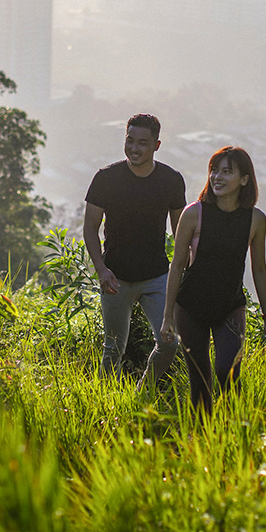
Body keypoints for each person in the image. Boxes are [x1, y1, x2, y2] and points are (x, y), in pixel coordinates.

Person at [160, 146, 266, 414]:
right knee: (200, 383)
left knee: (228, 371)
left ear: (245, 179)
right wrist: (167, 316)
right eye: (214, 170)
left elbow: (259, 269)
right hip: (190, 308)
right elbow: (177, 265)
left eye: (227, 171)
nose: (217, 177)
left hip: (230, 307)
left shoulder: (255, 220)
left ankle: (234, 429)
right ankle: (204, 442)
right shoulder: (194, 213)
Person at [84, 113, 186, 383]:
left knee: (169, 343)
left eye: (142, 143)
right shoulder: (106, 178)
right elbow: (90, 228)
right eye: (130, 140)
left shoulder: (171, 180)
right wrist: (102, 270)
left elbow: (181, 232)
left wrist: (184, 269)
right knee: (113, 350)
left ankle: (143, 392)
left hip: (156, 277)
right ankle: (107, 406)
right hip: (115, 278)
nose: (134, 148)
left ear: (157, 145)